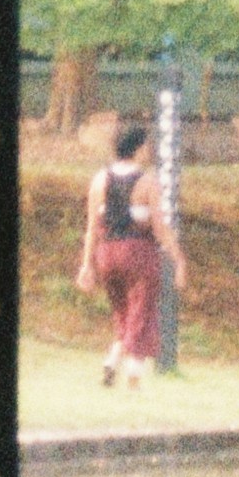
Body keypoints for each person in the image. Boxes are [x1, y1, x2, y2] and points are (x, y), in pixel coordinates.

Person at [75, 115, 177, 387]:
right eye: (147, 146)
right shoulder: (147, 182)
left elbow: (92, 227)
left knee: (124, 314)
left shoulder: (100, 180)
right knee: (142, 311)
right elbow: (160, 227)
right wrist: (178, 258)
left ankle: (113, 361)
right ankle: (132, 372)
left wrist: (87, 265)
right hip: (139, 253)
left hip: (107, 254)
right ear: (140, 148)